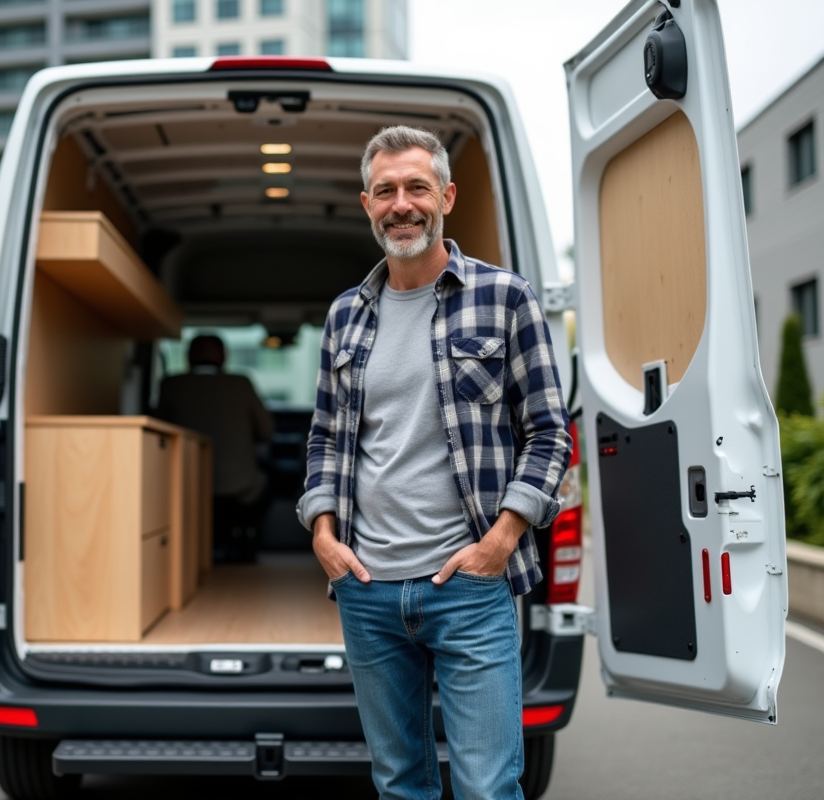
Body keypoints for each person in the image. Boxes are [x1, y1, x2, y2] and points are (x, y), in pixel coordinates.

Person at [296, 126, 571, 800]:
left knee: (487, 787)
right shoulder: (345, 316)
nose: (402, 204)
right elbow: (326, 438)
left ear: (446, 196)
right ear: (367, 204)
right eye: (386, 190)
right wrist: (324, 536)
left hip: (470, 586)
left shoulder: (505, 298)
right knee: (399, 784)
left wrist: (500, 541)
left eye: (416, 187)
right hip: (367, 588)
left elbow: (548, 434)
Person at [157, 334, 274, 561]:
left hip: (184, 483)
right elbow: (267, 432)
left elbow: (159, 431)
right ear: (223, 356)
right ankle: (247, 543)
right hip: (238, 487)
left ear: (189, 356)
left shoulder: (170, 385)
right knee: (271, 478)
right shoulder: (240, 384)